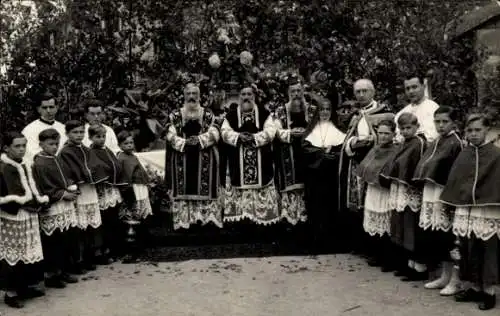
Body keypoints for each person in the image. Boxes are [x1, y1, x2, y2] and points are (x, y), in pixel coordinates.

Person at [441, 113, 500, 311]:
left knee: (488, 250)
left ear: (487, 131)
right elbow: (456, 181)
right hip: (466, 210)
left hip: (488, 211)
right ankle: (474, 287)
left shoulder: (496, 154)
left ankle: (489, 291)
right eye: (470, 130)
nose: (473, 134)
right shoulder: (464, 153)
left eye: (478, 130)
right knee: (468, 248)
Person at [412, 106, 464, 295]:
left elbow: (456, 172)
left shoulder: (456, 143)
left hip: (444, 193)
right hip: (431, 192)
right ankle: (444, 275)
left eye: (445, 121)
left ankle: (456, 280)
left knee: (450, 237)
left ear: (454, 123)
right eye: (437, 122)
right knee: (437, 236)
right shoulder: (437, 141)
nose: (440, 125)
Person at [340, 79, 392, 254]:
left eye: (364, 91)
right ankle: (362, 245)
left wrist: (373, 140)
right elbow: (347, 139)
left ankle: (379, 249)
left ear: (373, 92)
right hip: (357, 163)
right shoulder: (355, 115)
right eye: (358, 92)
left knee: (376, 204)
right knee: (359, 205)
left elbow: (390, 138)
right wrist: (354, 143)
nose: (361, 95)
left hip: (378, 164)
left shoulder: (385, 113)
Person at [0, 132, 49, 308]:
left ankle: (24, 285)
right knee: (13, 251)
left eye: (23, 146)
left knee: (28, 249)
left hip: (28, 214)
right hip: (12, 215)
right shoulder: (4, 167)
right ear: (6, 148)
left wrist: (36, 202)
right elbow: (6, 194)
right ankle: (10, 292)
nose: (21, 149)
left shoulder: (26, 165)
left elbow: (33, 187)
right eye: (17, 146)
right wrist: (19, 204)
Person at [165, 83, 222, 230]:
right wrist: (184, 142)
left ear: (199, 96)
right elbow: (169, 134)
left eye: (194, 94)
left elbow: (216, 132)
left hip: (204, 158)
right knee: (183, 189)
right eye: (188, 93)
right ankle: (184, 222)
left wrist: (199, 140)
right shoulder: (175, 115)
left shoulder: (209, 114)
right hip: (182, 158)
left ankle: (205, 220)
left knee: (205, 187)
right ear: (184, 96)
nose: (191, 97)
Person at [221, 86, 279, 224]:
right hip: (238, 161)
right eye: (243, 94)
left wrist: (254, 138)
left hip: (261, 160)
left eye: (249, 94)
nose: (246, 97)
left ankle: (260, 221)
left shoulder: (264, 113)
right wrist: (238, 136)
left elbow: (271, 131)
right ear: (239, 97)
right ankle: (241, 221)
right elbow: (224, 132)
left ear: (254, 96)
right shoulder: (231, 115)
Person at [381, 112, 428, 281]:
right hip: (399, 188)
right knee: (400, 226)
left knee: (411, 228)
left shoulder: (419, 143)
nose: (406, 131)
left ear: (417, 127)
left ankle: (419, 268)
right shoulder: (403, 143)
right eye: (402, 128)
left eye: (409, 128)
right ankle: (407, 264)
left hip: (410, 191)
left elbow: (417, 167)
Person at [32, 129, 79, 288]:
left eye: (56, 143)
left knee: (65, 240)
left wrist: (71, 187)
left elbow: (65, 175)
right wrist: (62, 194)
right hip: (53, 206)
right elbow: (44, 186)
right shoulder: (40, 163)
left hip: (64, 205)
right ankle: (51, 276)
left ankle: (63, 270)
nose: (54, 147)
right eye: (50, 144)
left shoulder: (56, 158)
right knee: (52, 242)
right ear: (41, 144)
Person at [58, 120, 107, 273]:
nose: (79, 135)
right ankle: (78, 261)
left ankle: (90, 256)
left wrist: (95, 175)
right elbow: (66, 171)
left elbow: (95, 166)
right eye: (75, 132)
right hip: (79, 192)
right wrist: (75, 181)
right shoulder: (66, 151)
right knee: (80, 228)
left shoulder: (86, 149)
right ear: (67, 134)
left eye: (81, 132)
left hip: (90, 190)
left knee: (91, 227)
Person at [302, 95, 346, 253]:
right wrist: (321, 154)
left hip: (331, 175)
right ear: (317, 111)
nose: (325, 112)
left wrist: (332, 155)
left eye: (328, 109)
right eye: (322, 109)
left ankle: (331, 241)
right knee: (315, 206)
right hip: (315, 175)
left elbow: (343, 149)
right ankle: (315, 240)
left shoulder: (339, 128)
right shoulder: (311, 128)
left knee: (331, 206)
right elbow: (305, 148)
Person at [271, 77, 313, 225]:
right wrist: (290, 134)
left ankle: (308, 220)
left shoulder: (312, 110)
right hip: (287, 155)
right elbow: (275, 131)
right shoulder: (280, 111)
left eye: (298, 91)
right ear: (288, 93)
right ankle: (290, 220)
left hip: (309, 154)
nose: (296, 94)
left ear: (303, 91)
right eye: (293, 91)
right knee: (291, 189)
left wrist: (305, 133)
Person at [357, 119, 398, 270]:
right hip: (373, 190)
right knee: (374, 222)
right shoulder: (375, 149)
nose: (383, 136)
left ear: (393, 134)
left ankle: (387, 259)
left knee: (386, 224)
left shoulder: (395, 150)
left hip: (385, 192)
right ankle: (376, 254)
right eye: (380, 133)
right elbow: (364, 167)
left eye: (387, 133)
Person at [89, 124, 126, 263]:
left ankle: (112, 249)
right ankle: (101, 251)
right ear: (90, 138)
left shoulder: (107, 150)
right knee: (104, 223)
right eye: (97, 137)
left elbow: (115, 164)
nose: (101, 139)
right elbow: (97, 168)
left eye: (103, 136)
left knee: (113, 221)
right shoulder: (91, 151)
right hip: (102, 191)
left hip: (112, 190)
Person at [117, 130, 153, 263]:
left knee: (140, 218)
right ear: (120, 145)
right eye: (126, 143)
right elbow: (125, 177)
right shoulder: (121, 158)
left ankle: (140, 245)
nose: (129, 145)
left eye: (131, 142)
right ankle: (130, 251)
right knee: (131, 219)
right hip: (132, 190)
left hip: (140, 188)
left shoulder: (132, 156)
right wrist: (129, 194)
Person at [22, 92, 67, 164]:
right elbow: (31, 153)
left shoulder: (63, 128)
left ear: (57, 108)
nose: (48, 111)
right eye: (44, 107)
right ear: (38, 109)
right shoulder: (29, 130)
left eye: (51, 107)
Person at [395, 74, 439, 142]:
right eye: (408, 88)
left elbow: (431, 136)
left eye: (414, 87)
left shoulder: (432, 108)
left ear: (423, 87)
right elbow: (396, 135)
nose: (411, 91)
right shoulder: (401, 113)